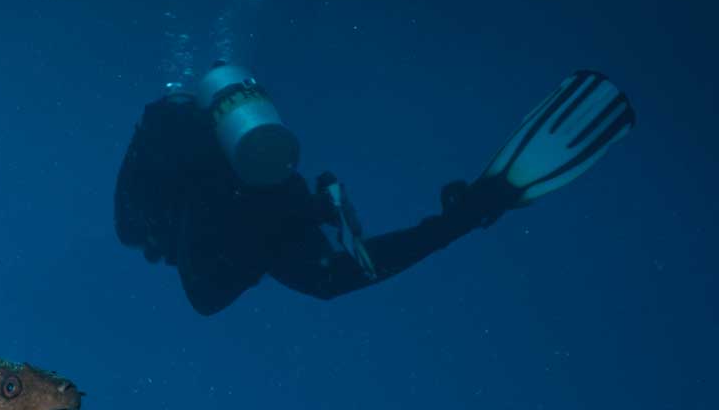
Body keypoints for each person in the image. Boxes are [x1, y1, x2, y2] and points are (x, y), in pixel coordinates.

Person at [115, 65, 636, 316]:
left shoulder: (149, 204)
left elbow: (203, 294)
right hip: (272, 191)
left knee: (214, 296)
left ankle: (468, 213)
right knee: (332, 276)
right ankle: (468, 212)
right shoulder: (182, 155)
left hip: (238, 207)